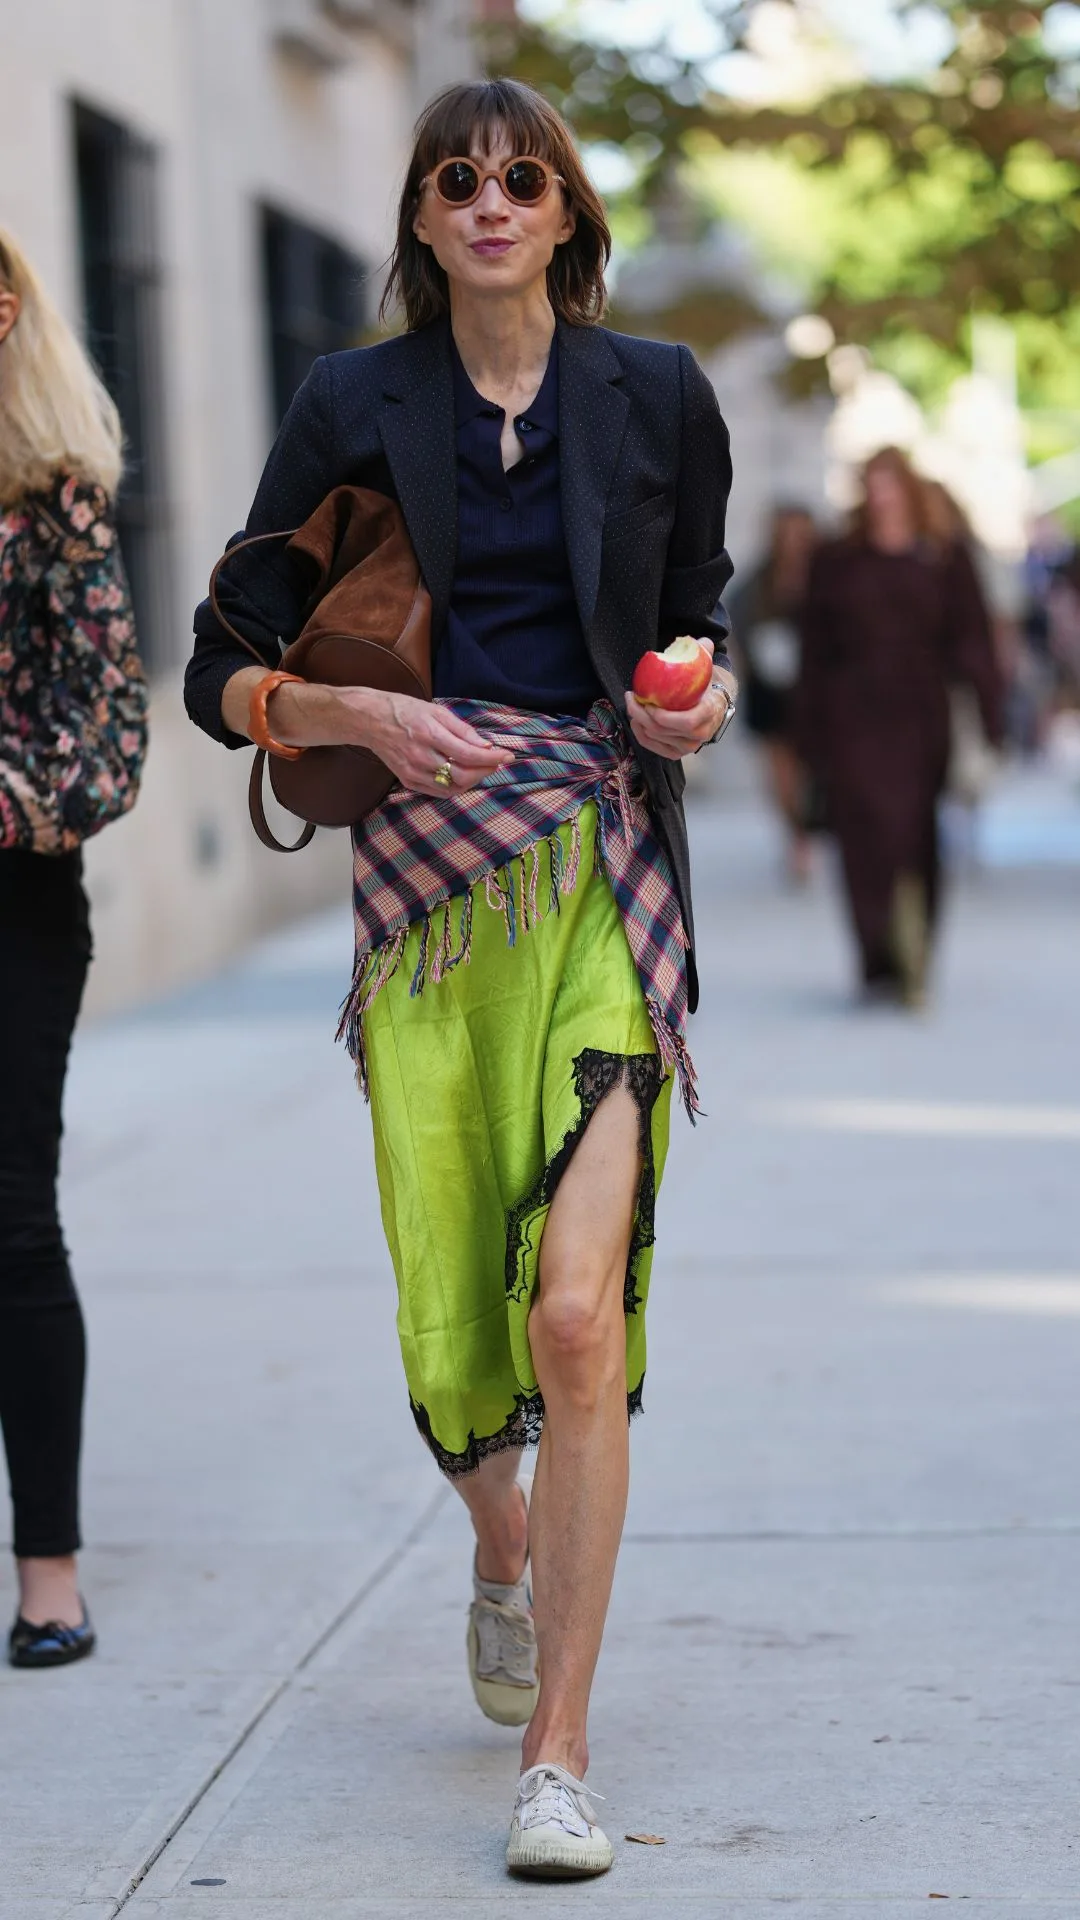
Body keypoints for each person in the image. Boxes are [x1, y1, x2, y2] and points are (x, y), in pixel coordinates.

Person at [186, 78, 735, 1878]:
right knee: (460, 1329)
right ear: (422, 225)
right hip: (423, 907)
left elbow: (695, 611)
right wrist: (349, 710)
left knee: (578, 1319)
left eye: (523, 177)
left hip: (601, 878)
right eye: (456, 181)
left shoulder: (655, 394)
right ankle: (503, 1540)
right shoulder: (356, 401)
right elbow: (224, 660)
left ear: (568, 213)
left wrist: (698, 689)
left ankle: (558, 1758)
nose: (492, 200)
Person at [0, 229, 148, 1666]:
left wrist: (12, 800)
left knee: (11, 1222)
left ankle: (49, 1568)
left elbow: (110, 734)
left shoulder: (55, 508)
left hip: (12, 908)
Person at [795, 445, 1001, 1006]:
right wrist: (806, 727)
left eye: (893, 486)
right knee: (862, 834)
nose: (883, 498)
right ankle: (876, 955)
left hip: (919, 712)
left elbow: (973, 639)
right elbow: (813, 646)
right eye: (874, 486)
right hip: (852, 713)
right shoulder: (837, 558)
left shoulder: (942, 557)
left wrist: (990, 712)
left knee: (915, 832)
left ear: (910, 491)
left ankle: (919, 949)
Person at [730, 504, 817, 881]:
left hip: (814, 692)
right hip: (770, 689)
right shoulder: (757, 583)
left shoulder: (825, 578)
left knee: (811, 767)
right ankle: (796, 837)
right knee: (780, 770)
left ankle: (811, 826)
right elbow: (736, 625)